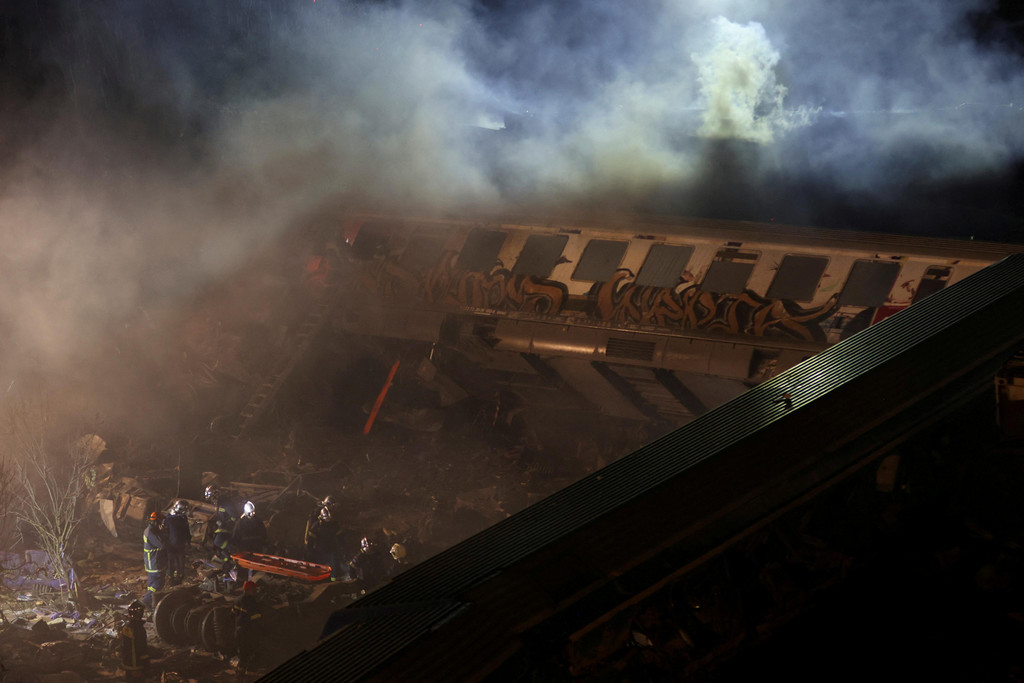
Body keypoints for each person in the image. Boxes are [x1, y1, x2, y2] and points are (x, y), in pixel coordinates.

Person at [232, 580, 263, 675]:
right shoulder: (251, 602)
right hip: (248, 631)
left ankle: (240, 671)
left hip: (238, 630)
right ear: (250, 590)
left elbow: (232, 614)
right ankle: (249, 672)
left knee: (242, 652)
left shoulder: (237, 599)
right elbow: (255, 617)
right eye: (254, 589)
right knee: (250, 651)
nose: (256, 590)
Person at [304, 503, 342, 579]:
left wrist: (342, 547)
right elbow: (310, 540)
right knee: (320, 567)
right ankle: (321, 580)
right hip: (320, 550)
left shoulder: (334, 525)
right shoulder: (316, 526)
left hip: (331, 549)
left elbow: (340, 537)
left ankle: (333, 581)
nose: (329, 520)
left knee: (333, 567)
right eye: (327, 519)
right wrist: (310, 550)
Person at [206, 484, 242, 561]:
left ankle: (234, 551)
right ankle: (227, 560)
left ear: (216, 495)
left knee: (218, 541)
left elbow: (234, 516)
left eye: (212, 498)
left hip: (229, 527)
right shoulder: (220, 503)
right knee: (216, 544)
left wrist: (225, 524)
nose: (212, 501)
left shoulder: (225, 503)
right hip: (223, 527)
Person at [119, 600, 150, 679]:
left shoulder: (126, 627)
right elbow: (142, 648)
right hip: (136, 666)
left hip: (127, 664)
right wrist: (146, 663)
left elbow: (124, 646)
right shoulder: (138, 629)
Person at [141, 511, 166, 607]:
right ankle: (145, 601)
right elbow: (161, 544)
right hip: (155, 561)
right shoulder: (151, 533)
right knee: (158, 583)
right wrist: (163, 532)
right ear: (156, 522)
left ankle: (150, 603)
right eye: (160, 522)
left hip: (153, 561)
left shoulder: (150, 530)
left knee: (152, 584)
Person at [165, 500, 191, 587]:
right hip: (173, 544)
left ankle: (177, 578)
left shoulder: (181, 518)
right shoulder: (170, 518)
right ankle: (173, 579)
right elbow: (165, 532)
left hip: (178, 544)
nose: (184, 512)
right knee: (173, 562)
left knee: (178, 562)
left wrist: (188, 541)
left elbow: (186, 531)